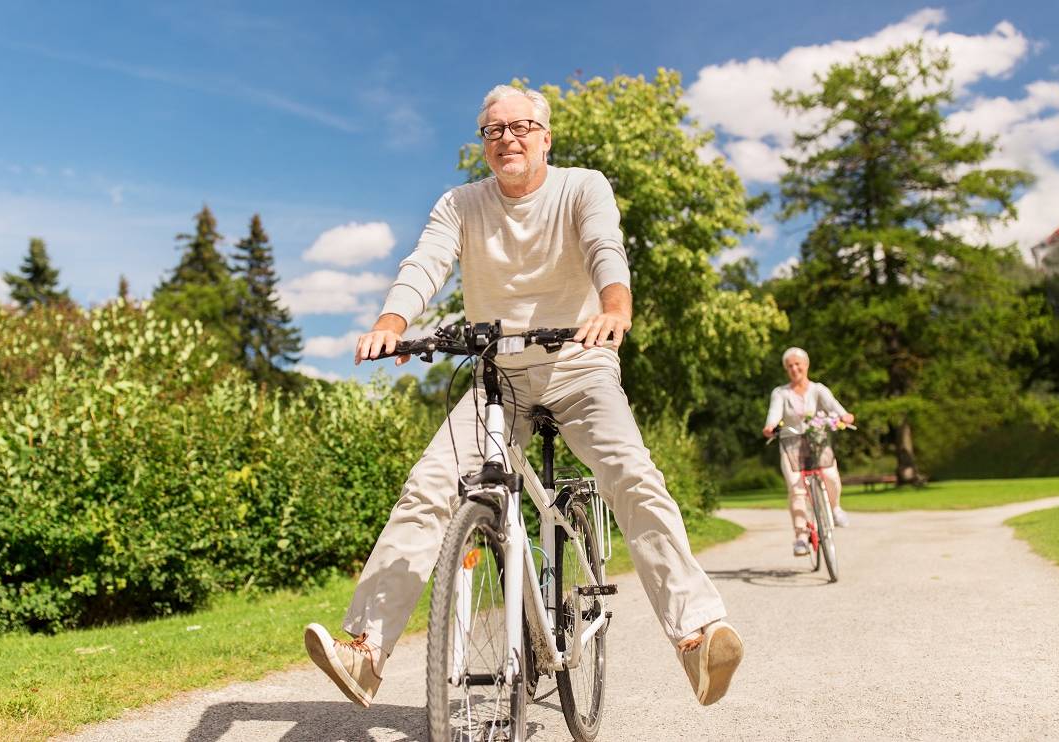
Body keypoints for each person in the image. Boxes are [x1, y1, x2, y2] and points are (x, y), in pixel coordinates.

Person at [303, 84, 743, 711]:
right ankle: (366, 653)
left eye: (521, 126)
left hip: (580, 363)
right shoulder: (461, 203)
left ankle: (697, 636)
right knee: (429, 487)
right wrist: (393, 324)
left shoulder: (582, 186)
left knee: (633, 476)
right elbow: (424, 264)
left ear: (545, 136)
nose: (507, 137)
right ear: (483, 143)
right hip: (498, 375)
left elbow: (603, 247)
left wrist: (615, 308)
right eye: (493, 130)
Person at [761, 347, 855, 557]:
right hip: (791, 445)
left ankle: (835, 508)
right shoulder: (781, 393)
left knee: (830, 475)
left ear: (806, 365)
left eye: (798, 364)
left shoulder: (818, 389)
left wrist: (845, 416)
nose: (794, 369)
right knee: (797, 489)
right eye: (790, 366)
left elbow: (835, 408)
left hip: (817, 442)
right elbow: (774, 414)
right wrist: (770, 426)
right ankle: (802, 536)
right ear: (787, 370)